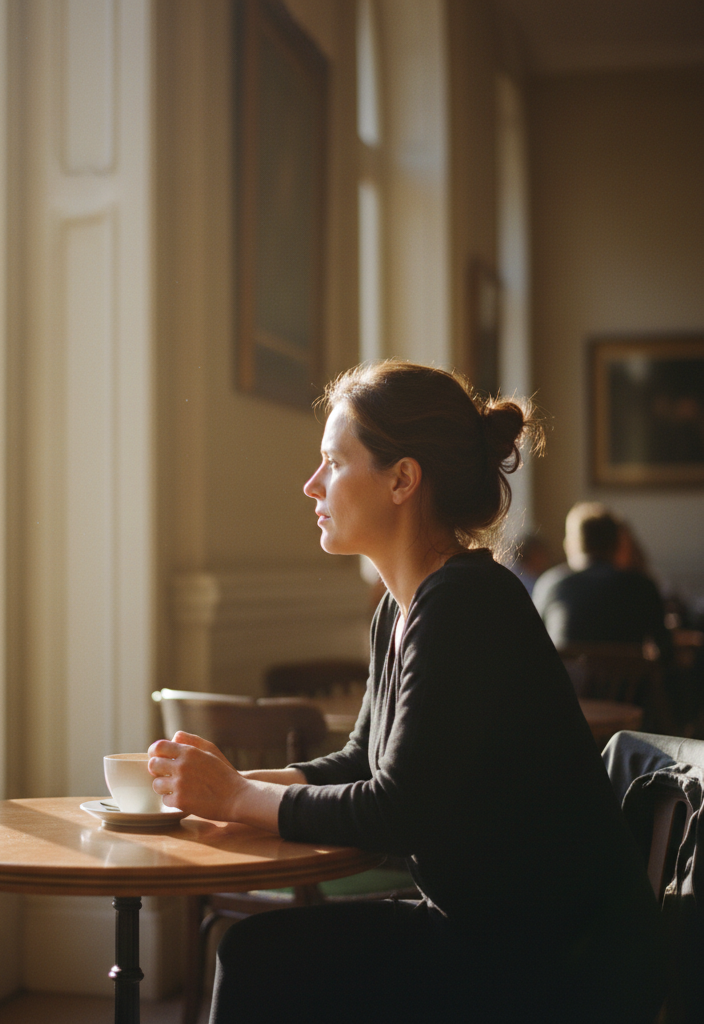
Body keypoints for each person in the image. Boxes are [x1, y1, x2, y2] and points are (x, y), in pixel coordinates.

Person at [148, 360, 663, 1024]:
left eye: (334, 462)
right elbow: (360, 762)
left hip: (556, 957)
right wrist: (226, 785)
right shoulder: (402, 609)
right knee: (257, 952)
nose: (311, 484)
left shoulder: (466, 603)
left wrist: (237, 799)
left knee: (259, 958)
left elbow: (398, 809)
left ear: (402, 479)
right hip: (491, 931)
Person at [532, 502, 670, 659]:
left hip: (565, 675)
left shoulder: (550, 585)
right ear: (617, 544)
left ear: (571, 544)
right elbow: (665, 649)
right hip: (624, 674)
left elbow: (531, 644)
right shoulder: (643, 586)